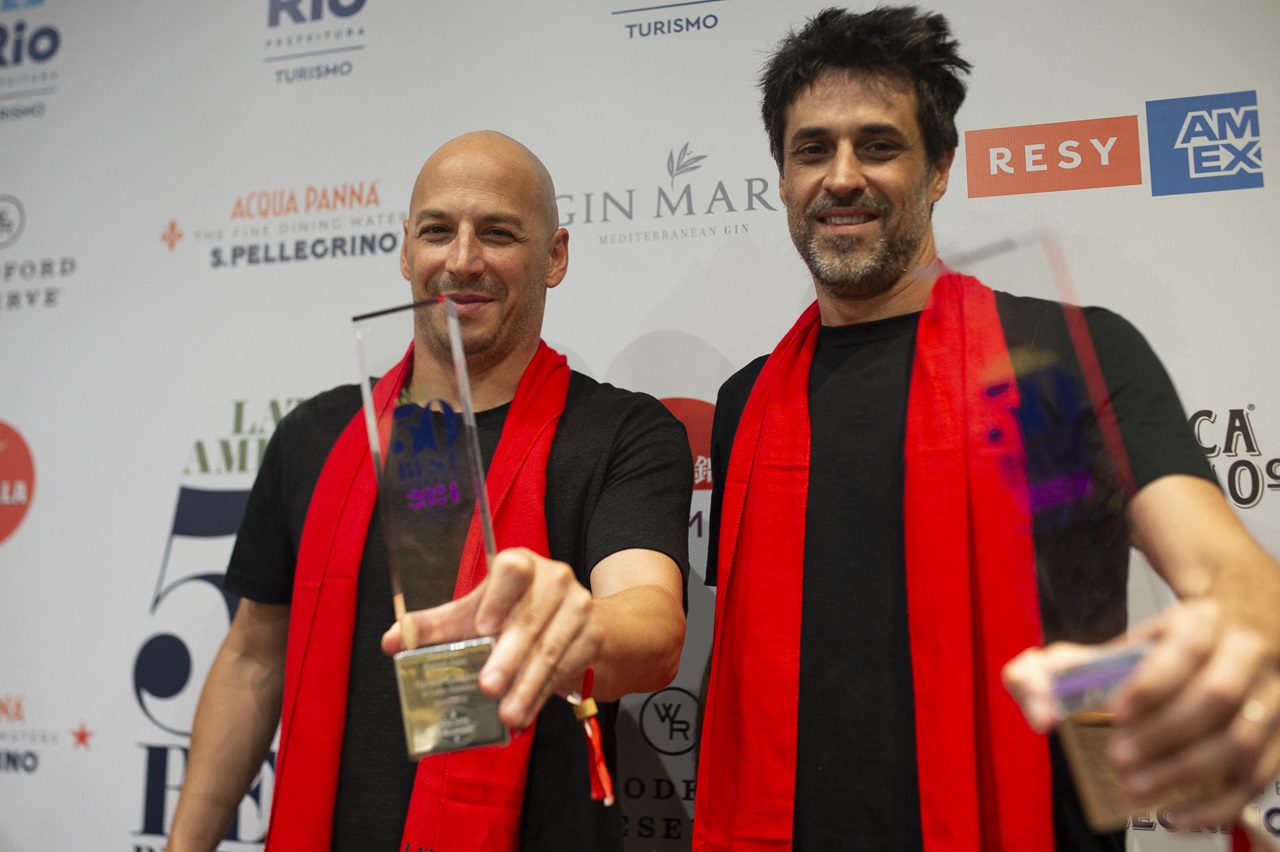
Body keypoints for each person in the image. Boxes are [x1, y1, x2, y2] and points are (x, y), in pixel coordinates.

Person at [694, 7, 1280, 851]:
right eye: (812, 149)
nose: (843, 176)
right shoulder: (748, 399)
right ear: (783, 178)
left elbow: (1224, 568)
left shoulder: (1055, 356)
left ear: (939, 170)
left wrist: (1237, 644)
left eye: (880, 145)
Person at [166, 130, 692, 852]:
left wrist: (575, 626)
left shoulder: (620, 432)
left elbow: (654, 626)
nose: (463, 260)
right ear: (406, 250)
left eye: (499, 233)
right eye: (438, 231)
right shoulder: (316, 436)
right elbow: (254, 656)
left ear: (555, 256)